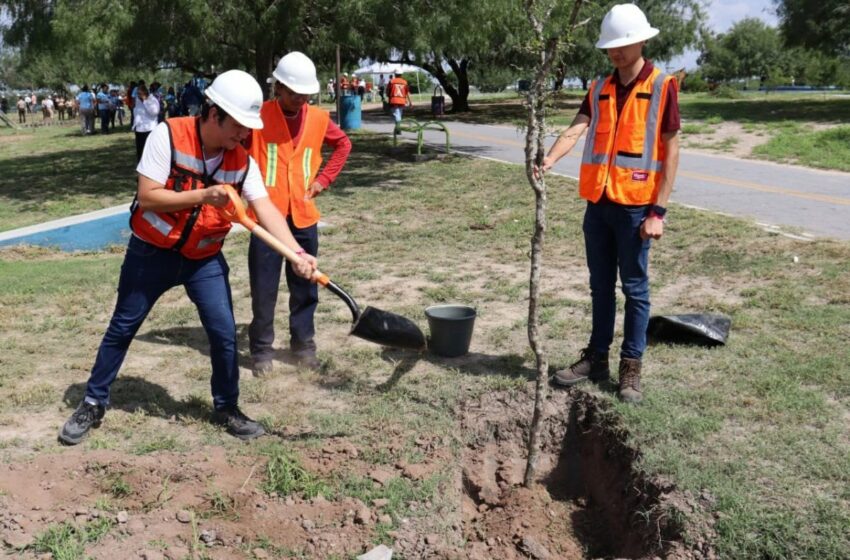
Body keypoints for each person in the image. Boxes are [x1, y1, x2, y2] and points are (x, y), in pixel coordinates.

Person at [59, 70, 318, 445]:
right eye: (239, 126)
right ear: (215, 114)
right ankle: (93, 401)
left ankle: (227, 406)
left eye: (248, 128)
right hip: (151, 254)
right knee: (123, 327)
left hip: (204, 259)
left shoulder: (242, 161)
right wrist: (202, 196)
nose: (244, 135)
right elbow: (148, 195)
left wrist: (296, 252)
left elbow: (265, 209)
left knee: (224, 333)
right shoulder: (168, 135)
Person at [537, 4, 680, 404]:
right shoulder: (599, 87)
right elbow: (578, 127)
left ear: (642, 41)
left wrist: (658, 212)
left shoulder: (663, 86)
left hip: (636, 208)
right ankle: (596, 357)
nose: (616, 53)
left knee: (635, 290)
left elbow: (671, 152)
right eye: (610, 47)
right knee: (600, 287)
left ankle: (630, 367)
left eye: (623, 45)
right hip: (598, 204)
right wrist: (549, 158)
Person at [245, 51, 352, 376]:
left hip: (304, 217)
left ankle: (303, 346)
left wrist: (322, 181)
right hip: (266, 221)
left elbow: (343, 145)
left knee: (305, 288)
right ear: (277, 88)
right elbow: (235, 149)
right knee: (264, 289)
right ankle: (262, 350)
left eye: (304, 93)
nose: (298, 99)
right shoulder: (258, 117)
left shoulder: (319, 119)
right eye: (292, 92)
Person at [132, 84, 160, 162]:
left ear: (145, 93)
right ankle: (141, 166)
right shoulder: (138, 100)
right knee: (140, 151)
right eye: (137, 94)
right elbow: (137, 112)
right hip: (139, 129)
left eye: (140, 94)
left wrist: (145, 101)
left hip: (150, 129)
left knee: (150, 150)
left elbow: (154, 112)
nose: (138, 96)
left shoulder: (152, 100)